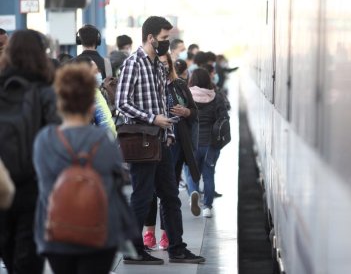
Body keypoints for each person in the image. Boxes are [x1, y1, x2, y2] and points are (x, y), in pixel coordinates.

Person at [116, 15, 205, 264]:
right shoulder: (134, 63)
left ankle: (177, 247)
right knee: (142, 196)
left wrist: (167, 131)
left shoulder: (158, 65)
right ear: (150, 37)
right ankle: (133, 251)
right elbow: (122, 103)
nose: (167, 42)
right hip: (143, 140)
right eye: (164, 38)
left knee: (170, 196)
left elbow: (159, 102)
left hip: (161, 141)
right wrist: (153, 119)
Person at [33, 63, 125, 274]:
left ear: (58, 103)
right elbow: (116, 182)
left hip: (55, 232)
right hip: (100, 231)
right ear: (91, 105)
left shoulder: (44, 141)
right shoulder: (104, 141)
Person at [0, 29, 60, 274]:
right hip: (35, 187)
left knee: (8, 254)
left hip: (1, 184)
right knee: (28, 261)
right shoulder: (46, 92)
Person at [143, 53, 199, 249]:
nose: (164, 67)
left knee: (170, 192)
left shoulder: (180, 85)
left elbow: (194, 111)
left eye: (167, 64)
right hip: (151, 142)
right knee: (149, 191)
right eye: (161, 64)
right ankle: (149, 233)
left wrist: (186, 112)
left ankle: (166, 234)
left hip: (174, 146)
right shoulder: (146, 85)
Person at [184, 68, 229, 218]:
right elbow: (224, 118)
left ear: (192, 80)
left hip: (192, 143)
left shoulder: (186, 95)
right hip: (211, 143)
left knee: (191, 173)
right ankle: (207, 207)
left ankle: (194, 193)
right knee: (209, 175)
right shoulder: (216, 97)